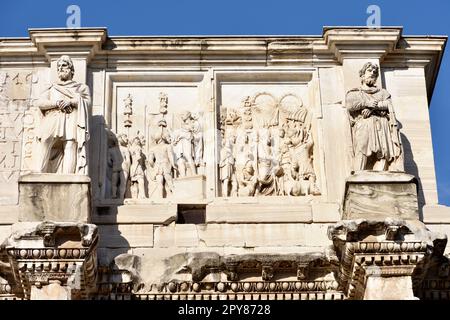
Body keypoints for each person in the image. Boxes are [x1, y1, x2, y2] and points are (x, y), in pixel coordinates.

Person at [35, 55, 90, 174]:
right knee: (45, 141)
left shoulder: (81, 88)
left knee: (70, 145)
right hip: (52, 116)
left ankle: (68, 177)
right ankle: (39, 173)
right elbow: (40, 102)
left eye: (64, 65)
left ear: (71, 69)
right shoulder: (51, 87)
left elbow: (87, 103)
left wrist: (70, 101)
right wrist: (55, 103)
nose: (60, 68)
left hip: (71, 117)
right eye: (59, 66)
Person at [346, 62, 403, 172]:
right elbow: (350, 104)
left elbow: (388, 105)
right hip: (364, 125)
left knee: (384, 152)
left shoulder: (383, 93)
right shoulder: (356, 92)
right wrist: (366, 103)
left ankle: (382, 175)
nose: (372, 73)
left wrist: (372, 108)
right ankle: (358, 173)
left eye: (375, 72)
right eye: (369, 71)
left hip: (382, 126)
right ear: (362, 75)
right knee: (361, 148)